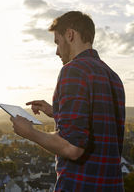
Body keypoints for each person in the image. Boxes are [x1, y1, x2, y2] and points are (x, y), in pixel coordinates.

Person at [10, 11, 125, 191]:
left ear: (70, 35)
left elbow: (72, 148)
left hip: (80, 185)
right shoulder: (113, 76)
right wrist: (56, 112)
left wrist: (29, 132)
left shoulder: (73, 70)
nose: (56, 51)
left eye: (57, 41)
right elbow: (97, 126)